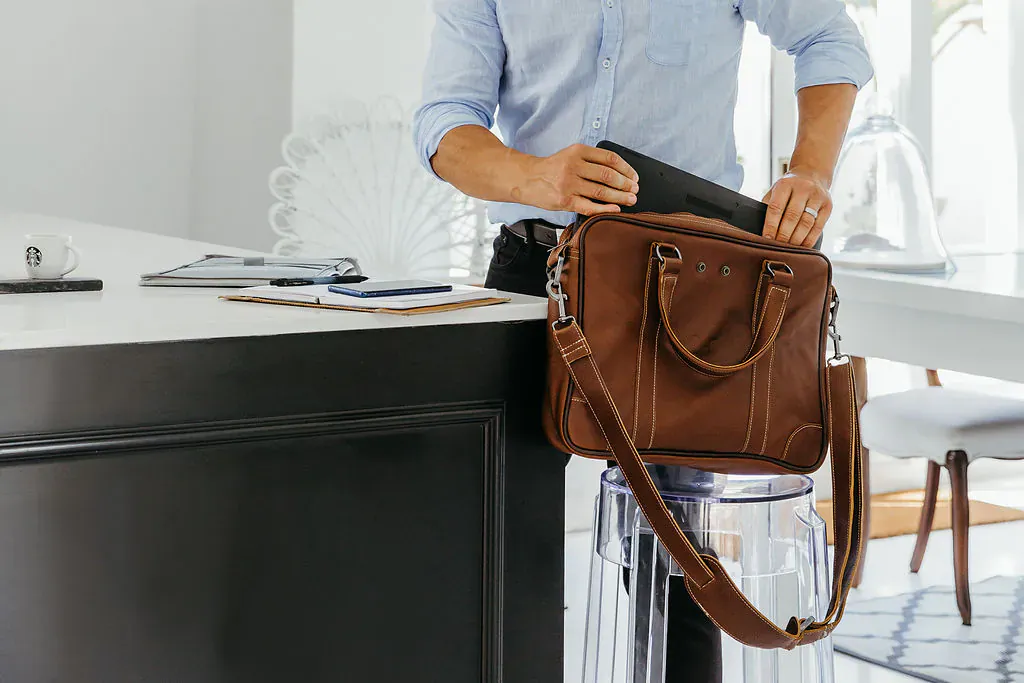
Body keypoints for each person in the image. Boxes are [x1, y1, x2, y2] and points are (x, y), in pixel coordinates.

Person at [414, 0, 872, 680]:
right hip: (529, 276)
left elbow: (830, 38)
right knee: (497, 539)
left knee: (674, 554)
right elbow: (444, 123)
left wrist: (811, 171)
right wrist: (537, 175)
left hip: (679, 288)